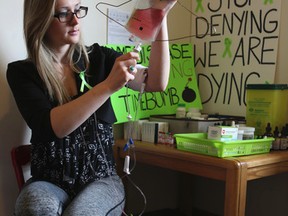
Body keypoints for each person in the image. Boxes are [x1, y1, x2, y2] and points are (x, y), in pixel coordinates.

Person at [7, 0, 176, 215]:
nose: (76, 20)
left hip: (102, 181)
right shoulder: (23, 73)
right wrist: (107, 87)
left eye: (78, 10)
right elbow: (53, 126)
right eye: (64, 14)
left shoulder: (100, 58)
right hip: (47, 181)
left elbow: (156, 83)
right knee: (36, 209)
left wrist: (160, 15)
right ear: (40, 20)